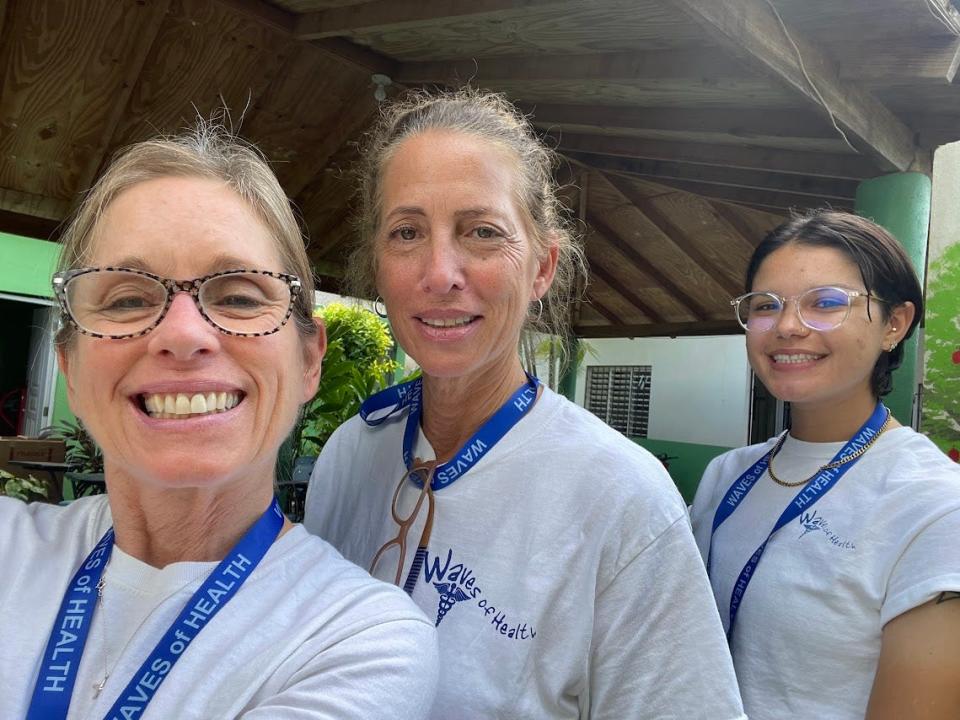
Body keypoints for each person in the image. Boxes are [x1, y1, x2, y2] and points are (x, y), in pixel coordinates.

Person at [303, 88, 745, 719]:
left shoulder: (621, 499)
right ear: (377, 264)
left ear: (541, 268)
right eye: (407, 232)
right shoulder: (351, 454)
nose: (440, 272)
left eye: (482, 232)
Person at [0, 125, 438, 719]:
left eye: (238, 297)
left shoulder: (358, 642)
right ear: (69, 368)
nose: (182, 334)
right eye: (127, 300)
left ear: (310, 359)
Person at [690, 210, 960, 719]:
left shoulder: (935, 507)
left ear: (894, 324)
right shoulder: (725, 477)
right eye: (766, 306)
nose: (788, 326)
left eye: (828, 303)